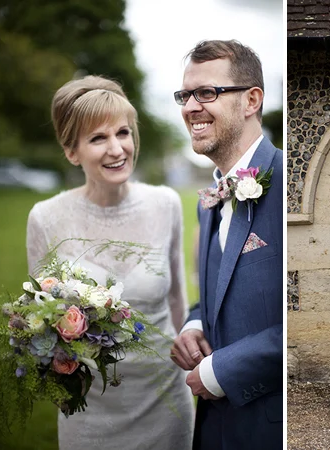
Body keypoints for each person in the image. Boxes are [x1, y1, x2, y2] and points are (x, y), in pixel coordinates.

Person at [26, 75, 195, 449]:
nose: (117, 149)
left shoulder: (165, 205)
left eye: (123, 132)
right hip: (89, 414)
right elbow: (40, 322)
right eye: (98, 138)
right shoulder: (46, 218)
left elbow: (177, 303)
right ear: (72, 152)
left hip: (165, 403)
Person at [170, 40, 283, 450]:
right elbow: (216, 296)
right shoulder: (210, 200)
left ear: (252, 99)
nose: (190, 107)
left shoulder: (287, 184)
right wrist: (195, 324)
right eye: (185, 95)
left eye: (207, 93)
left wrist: (223, 370)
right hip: (215, 430)